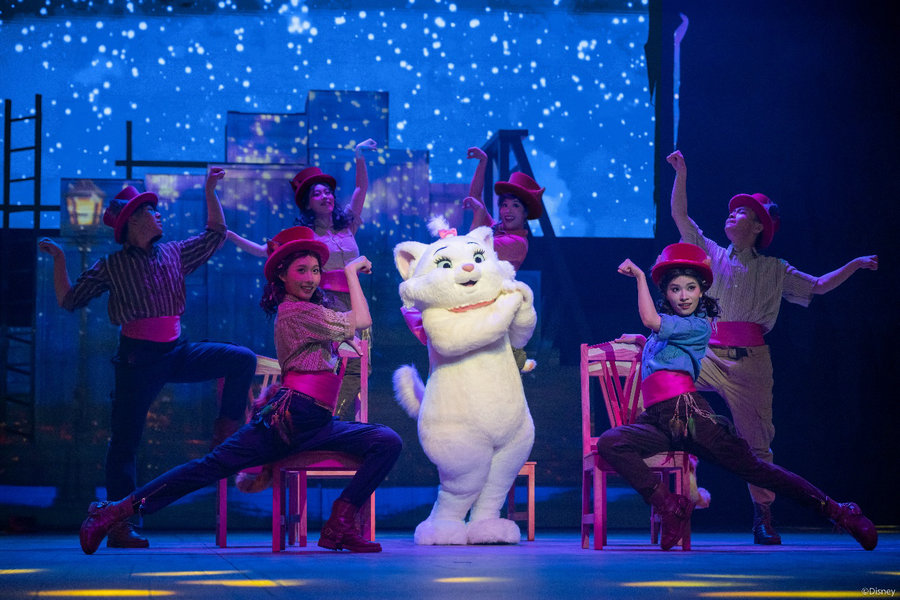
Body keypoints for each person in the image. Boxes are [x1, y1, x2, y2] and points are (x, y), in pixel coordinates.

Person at [77, 226, 402, 555]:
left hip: (317, 422)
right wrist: (350, 272)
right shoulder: (297, 311)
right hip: (289, 420)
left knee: (386, 441)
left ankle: (340, 524)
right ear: (282, 276)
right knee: (208, 468)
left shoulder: (311, 313)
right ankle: (113, 512)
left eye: (315, 270)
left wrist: (341, 339)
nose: (311, 278)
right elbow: (362, 319)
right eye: (301, 270)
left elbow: (338, 334)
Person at [596, 242, 877, 551]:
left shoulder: (698, 325)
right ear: (667, 293)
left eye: (691, 288)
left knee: (757, 470)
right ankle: (670, 505)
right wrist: (642, 341)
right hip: (659, 421)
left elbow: (652, 321)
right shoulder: (664, 333)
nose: (684, 295)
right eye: (676, 289)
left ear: (701, 291)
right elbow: (660, 344)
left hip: (689, 417)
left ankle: (839, 511)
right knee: (612, 442)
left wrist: (639, 276)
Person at [665, 150, 878, 544]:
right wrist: (682, 173)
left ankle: (763, 516)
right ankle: (678, 485)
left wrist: (854, 264)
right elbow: (681, 216)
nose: (732, 215)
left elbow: (818, 285)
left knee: (757, 445)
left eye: (742, 213)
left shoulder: (774, 269)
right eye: (732, 211)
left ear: (758, 227)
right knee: (667, 380)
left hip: (750, 364)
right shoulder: (711, 254)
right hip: (708, 354)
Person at [38, 169, 257, 550]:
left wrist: (210, 190)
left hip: (175, 351)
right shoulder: (113, 265)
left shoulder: (173, 252)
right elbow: (69, 300)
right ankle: (119, 525)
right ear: (134, 221)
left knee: (241, 359)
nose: (158, 215)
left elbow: (215, 234)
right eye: (151, 212)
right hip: (138, 360)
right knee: (124, 442)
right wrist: (59, 257)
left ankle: (225, 430)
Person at [227, 138, 377, 419]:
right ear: (308, 202)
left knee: (362, 366)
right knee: (340, 362)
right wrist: (230, 236)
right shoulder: (306, 236)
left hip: (355, 300)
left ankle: (336, 418)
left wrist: (359, 155)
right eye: (318, 194)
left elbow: (361, 189)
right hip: (328, 303)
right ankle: (326, 415)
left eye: (328, 192)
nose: (326, 197)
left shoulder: (347, 225)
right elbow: (263, 250)